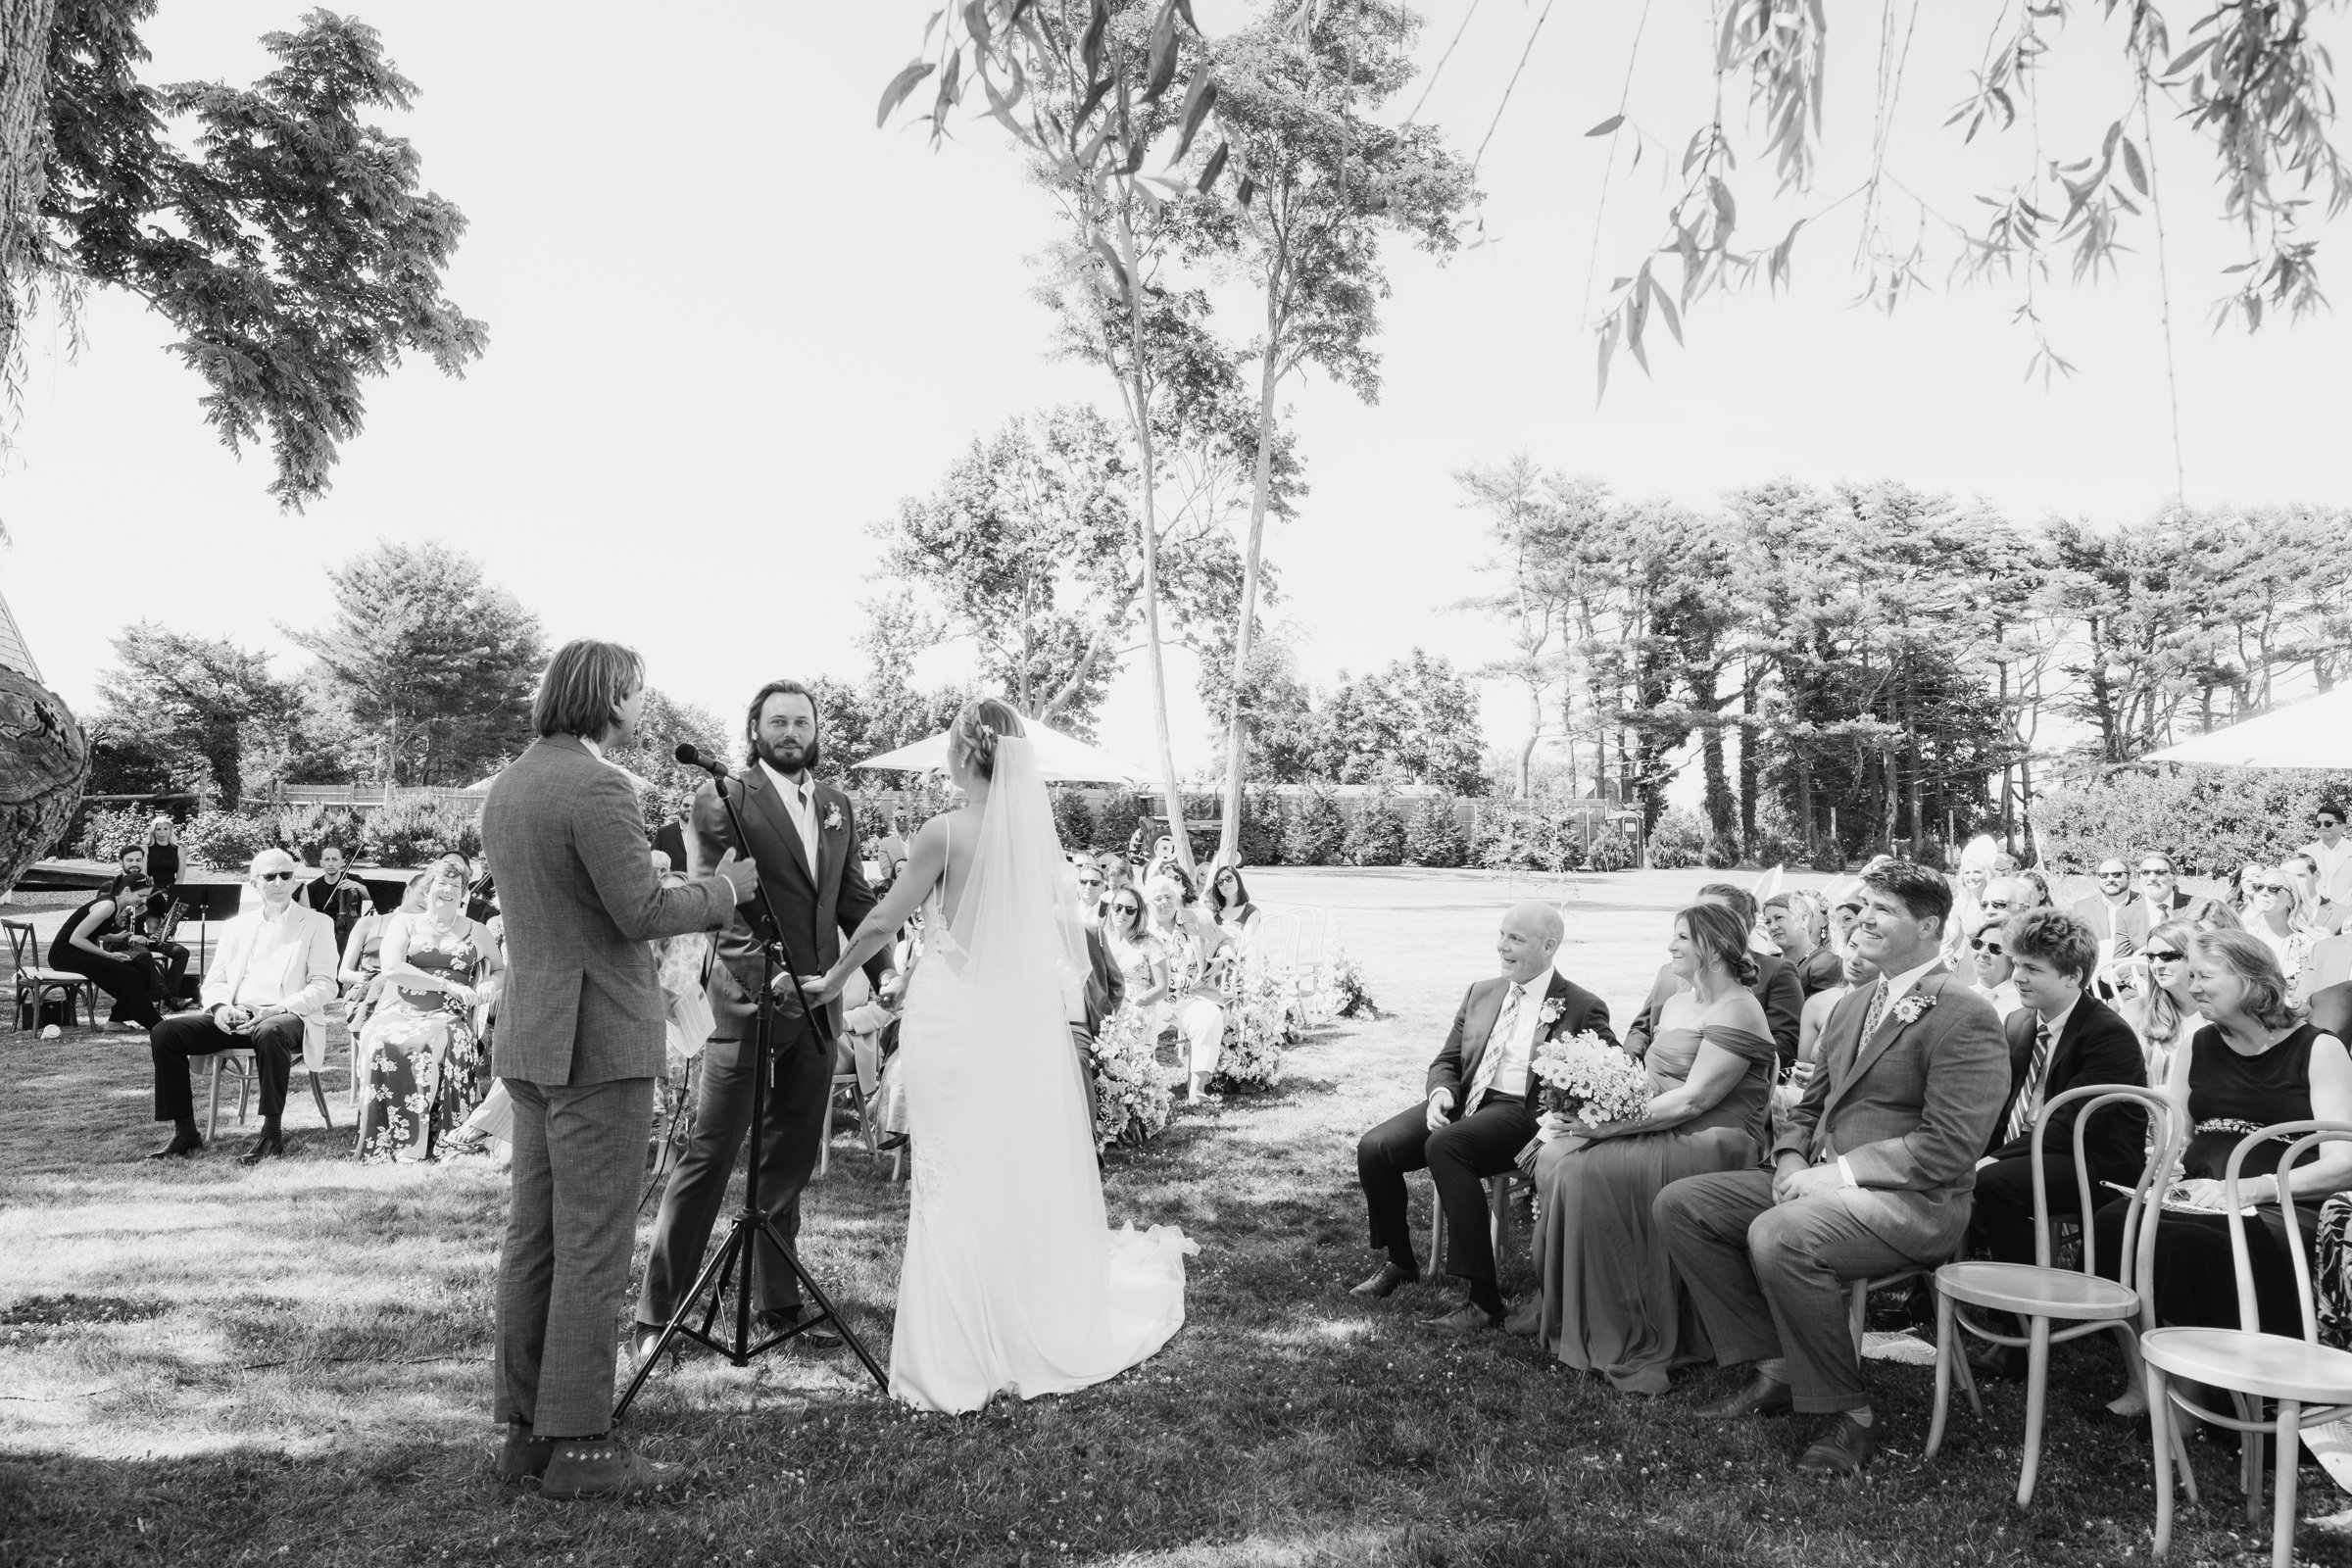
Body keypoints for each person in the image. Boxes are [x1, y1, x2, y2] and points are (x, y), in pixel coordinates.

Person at [807, 698, 1198, 1412]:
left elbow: (884, 920)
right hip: (1012, 1028)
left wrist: (830, 981)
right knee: (997, 1171)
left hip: (952, 1024)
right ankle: (1010, 1322)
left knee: (949, 1176)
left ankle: (956, 1354)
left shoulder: (943, 832)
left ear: (962, 754)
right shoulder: (1029, 844)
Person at [478, 638, 760, 1499]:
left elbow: (577, 897)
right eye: (636, 695)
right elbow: (637, 911)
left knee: (536, 1238)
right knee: (593, 1244)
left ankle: (525, 1432)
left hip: (534, 1034)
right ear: (607, 697)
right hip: (595, 1042)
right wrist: (725, 891)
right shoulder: (600, 783)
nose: (641, 709)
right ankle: (582, 1445)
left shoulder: (513, 782)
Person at [1654, 860, 2008, 1477]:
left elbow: (1950, 1146)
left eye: (1884, 910)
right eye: (1863, 904)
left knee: (1779, 1234)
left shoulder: (1965, 1013)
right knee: (1683, 1204)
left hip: (1911, 1204)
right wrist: (1791, 1155)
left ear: (1929, 926)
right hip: (1815, 1185)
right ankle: (1779, 1365)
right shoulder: (1853, 1004)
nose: (1864, 918)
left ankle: (1850, 1413)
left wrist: (1837, 1175)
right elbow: (1810, 1102)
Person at [634, 678, 897, 1369]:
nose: (790, 732)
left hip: (820, 1002)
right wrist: (769, 976)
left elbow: (852, 897)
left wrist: (882, 967)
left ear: (815, 732)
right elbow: (713, 902)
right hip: (745, 1000)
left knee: (790, 1154)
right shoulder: (721, 797)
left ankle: (778, 1300)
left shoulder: (837, 804)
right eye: (777, 721)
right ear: (754, 730)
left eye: (801, 722)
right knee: (711, 1151)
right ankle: (657, 1314)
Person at [1515, 903, 1776, 1391]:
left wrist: (1607, 1130)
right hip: (1661, 1118)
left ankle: (1629, 1321)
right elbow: (1652, 1081)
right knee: (1555, 1154)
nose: (1670, 945)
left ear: (1713, 948)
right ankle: (1572, 1305)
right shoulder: (1678, 1000)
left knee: (1580, 1171)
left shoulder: (1738, 1007)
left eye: (1681, 937)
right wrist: (1593, 1104)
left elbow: (1695, 1100)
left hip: (1711, 1136)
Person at [1350, 902, 1617, 1330]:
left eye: (1515, 939)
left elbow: (1609, 1075)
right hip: (1466, 1102)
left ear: (1549, 947)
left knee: (1445, 1146)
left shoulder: (1582, 1006)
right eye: (1501, 934)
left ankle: (1485, 1300)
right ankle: (1401, 1261)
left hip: (1522, 1116)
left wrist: (1571, 1115)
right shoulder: (1482, 991)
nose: (1501, 946)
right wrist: (1440, 1094)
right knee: (1375, 1147)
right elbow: (1448, 1060)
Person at [2090, 931, 2352, 1343]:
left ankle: (2194, 1383)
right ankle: (2145, 1357)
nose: (2192, 987)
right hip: (2202, 1197)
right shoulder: (2199, 1043)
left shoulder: (2318, 1049)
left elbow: (2344, 1164)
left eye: (2204, 976)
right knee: (2117, 1219)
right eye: (2191, 976)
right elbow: (2180, 1135)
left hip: (2282, 1205)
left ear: (2250, 979)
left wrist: (2253, 1189)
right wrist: (2168, 1163)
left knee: (2182, 1241)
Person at [1962, 910, 2146, 1377]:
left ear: (2073, 976)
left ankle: (2021, 1327)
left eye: (2032, 969)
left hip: (2093, 1166)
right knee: (1952, 1166)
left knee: (1997, 1183)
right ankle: (1936, 1291)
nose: (2017, 975)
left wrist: (1987, 1162)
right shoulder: (2022, 1023)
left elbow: (2069, 1127)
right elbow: (2001, 1106)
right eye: (2017, 964)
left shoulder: (2107, 1034)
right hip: (2030, 1151)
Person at [143, 850, 339, 1163]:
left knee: (270, 1031)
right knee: (166, 1031)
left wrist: (275, 1009)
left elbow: (326, 985)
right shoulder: (238, 926)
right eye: (270, 876)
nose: (278, 882)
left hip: (287, 1016)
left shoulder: (317, 923)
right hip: (238, 1014)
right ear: (253, 883)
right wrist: (220, 1007)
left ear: (294, 880)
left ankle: (271, 1134)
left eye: (286, 875)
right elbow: (215, 979)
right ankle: (186, 1132)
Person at [355, 863, 504, 1161]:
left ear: (464, 893)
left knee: (433, 1041)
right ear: (428, 888)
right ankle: (391, 1137)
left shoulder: (478, 931)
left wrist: (489, 982)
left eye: (456, 885)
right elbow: (393, 968)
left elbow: (500, 969)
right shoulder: (405, 923)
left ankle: (430, 1139)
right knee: (381, 1039)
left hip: (450, 1014)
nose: (448, 890)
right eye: (442, 883)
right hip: (399, 1009)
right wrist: (446, 985)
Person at [1624, 883, 1801, 1069]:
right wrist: (1627, 1069)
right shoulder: (1669, 972)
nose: (1697, 920)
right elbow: (1641, 1030)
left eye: (1708, 913)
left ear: (1735, 924)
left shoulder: (1775, 971)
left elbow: (1783, 1046)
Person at [1148, 870, 1234, 1103]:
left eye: (1168, 897)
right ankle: (1143, 1087)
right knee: (1139, 1025)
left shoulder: (1199, 919)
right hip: (1156, 999)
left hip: (1194, 996)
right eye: (1158, 898)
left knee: (1209, 1018)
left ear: (1177, 897)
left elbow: (1227, 942)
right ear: (1148, 902)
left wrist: (1220, 962)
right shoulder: (1143, 929)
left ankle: (1197, 1091)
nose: (1164, 902)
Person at [48, 875, 168, 1032]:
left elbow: (92, 930)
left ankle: (116, 1021)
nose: (144, 901)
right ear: (126, 891)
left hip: (77, 950)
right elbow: (76, 938)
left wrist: (112, 937)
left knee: (141, 968)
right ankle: (157, 1025)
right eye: (141, 895)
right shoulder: (108, 906)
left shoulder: (115, 905)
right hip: (65, 954)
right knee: (128, 975)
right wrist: (109, 956)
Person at [2104, 918, 2205, 1092]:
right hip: (2145, 1110)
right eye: (2151, 957)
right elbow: (2115, 1076)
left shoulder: (2221, 1014)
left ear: (2196, 957)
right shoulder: (2136, 1010)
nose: (2157, 965)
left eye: (2169, 956)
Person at [341, 873, 429, 1036]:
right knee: (386, 978)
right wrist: (370, 978)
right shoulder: (369, 923)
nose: (426, 901)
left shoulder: (430, 932)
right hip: (367, 995)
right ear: (408, 891)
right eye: (423, 893)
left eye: (432, 897)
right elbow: (344, 974)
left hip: (410, 997)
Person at [1102, 884, 1170, 1039]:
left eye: (1130, 910)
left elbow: (1162, 987)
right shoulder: (1102, 938)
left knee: (1130, 1024)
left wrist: (1133, 1002)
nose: (1122, 913)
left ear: (1138, 914)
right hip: (1107, 1002)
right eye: (1118, 907)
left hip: (1138, 1006)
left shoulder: (1151, 943)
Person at [2244, 862, 2321, 997]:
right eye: (2258, 887)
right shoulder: (2242, 938)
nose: (2263, 893)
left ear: (2292, 899)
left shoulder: (2309, 945)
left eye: (2274, 889)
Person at [297, 844, 372, 957]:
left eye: (335, 859)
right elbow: (311, 915)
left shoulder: (354, 879)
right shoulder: (312, 887)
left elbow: (372, 896)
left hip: (350, 930)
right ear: (321, 863)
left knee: (343, 939)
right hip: (325, 930)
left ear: (342, 862)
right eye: (327, 859)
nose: (331, 863)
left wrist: (357, 886)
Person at [2069, 858, 2149, 962]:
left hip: (2137, 972)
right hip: (2096, 972)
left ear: (2130, 877)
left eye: (2117, 874)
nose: (2110, 879)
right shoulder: (2081, 908)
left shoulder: (2146, 904)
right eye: (2104, 875)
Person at [1763, 892, 1839, 998]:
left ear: (1803, 919)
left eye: (1779, 918)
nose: (1772, 927)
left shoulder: (1826, 963)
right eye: (1768, 922)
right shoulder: (1766, 964)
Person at [1966, 917, 2025, 1021]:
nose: (1982, 953)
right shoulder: (1959, 996)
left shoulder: (2024, 1007)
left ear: (2015, 958)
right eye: (1978, 943)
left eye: (1994, 948)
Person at [2282, 852, 2351, 934]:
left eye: (2300, 876)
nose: (2293, 882)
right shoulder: (2274, 913)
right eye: (2287, 877)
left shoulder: (2345, 914)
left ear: (2317, 875)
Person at [2304, 803, 2352, 906]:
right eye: (2318, 824)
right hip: (2312, 910)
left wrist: (2339, 908)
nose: (2322, 827)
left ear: (2342, 827)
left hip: (2348, 912)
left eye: (2328, 823)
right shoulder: (2305, 852)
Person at [2134, 853, 2194, 920]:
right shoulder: (2126, 915)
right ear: (2139, 878)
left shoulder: (2199, 907)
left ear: (2173, 878)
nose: (2152, 878)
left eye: (2160, 872)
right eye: (2145, 872)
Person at [1207, 864, 1258, 934]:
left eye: (1229, 878)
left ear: (1237, 880)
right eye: (1220, 882)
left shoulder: (1251, 911)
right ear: (1218, 888)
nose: (1225, 883)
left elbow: (1245, 941)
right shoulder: (1213, 911)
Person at [144, 816, 181, 893]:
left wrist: (173, 892)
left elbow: (180, 878)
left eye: (165, 829)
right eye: (158, 829)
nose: (162, 832)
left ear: (170, 830)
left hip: (172, 890)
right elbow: (143, 874)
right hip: (149, 891)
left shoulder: (179, 849)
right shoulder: (145, 848)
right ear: (153, 831)